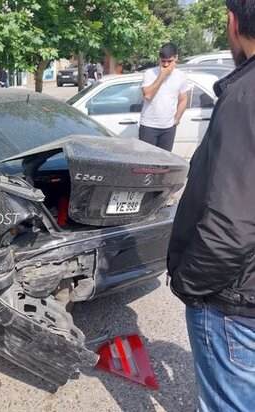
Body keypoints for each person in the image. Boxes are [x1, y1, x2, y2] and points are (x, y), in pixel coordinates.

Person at [167, 1, 255, 410]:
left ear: (233, 22)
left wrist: (188, 285)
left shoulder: (244, 98)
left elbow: (232, 225)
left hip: (233, 304)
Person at [139, 43, 189, 151]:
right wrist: (163, 75)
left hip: (168, 128)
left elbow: (183, 99)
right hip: (149, 126)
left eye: (169, 61)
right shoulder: (149, 74)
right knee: (146, 164)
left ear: (176, 58)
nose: (166, 65)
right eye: (163, 61)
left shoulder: (181, 76)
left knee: (164, 164)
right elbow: (147, 95)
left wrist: (176, 120)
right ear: (159, 59)